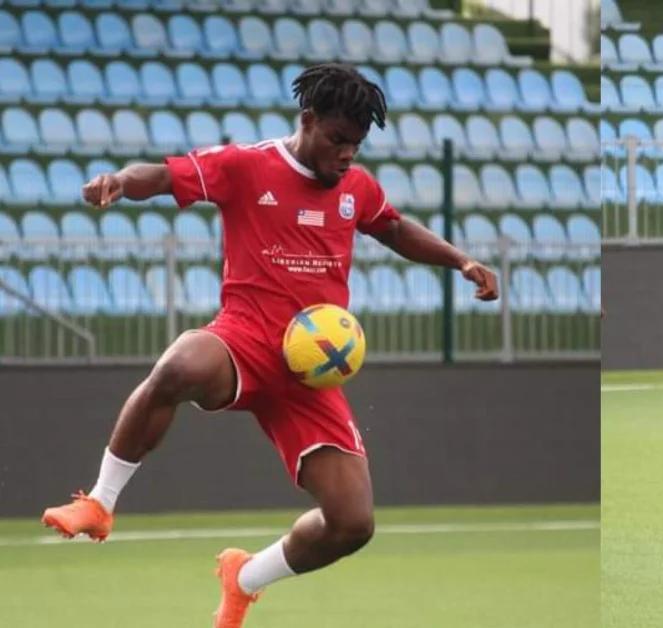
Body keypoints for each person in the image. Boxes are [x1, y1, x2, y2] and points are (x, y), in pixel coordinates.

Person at [41, 63, 499, 626]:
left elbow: (396, 229)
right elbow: (161, 176)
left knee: (353, 523)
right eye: (337, 140)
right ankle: (100, 503)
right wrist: (120, 180)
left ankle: (246, 577)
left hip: (313, 372)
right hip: (246, 338)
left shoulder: (357, 188)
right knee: (181, 364)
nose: (347, 155)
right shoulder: (246, 165)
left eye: (355, 145)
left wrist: (461, 259)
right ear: (307, 121)